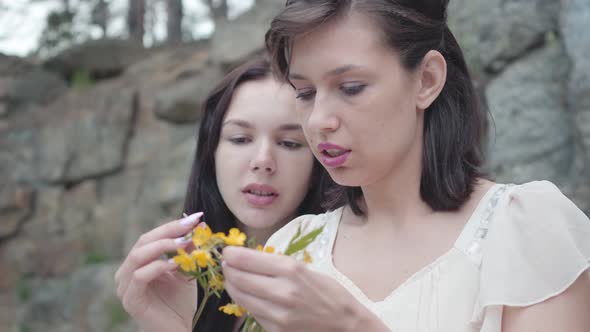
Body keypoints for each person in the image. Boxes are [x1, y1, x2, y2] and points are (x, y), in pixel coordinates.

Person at [219, 1, 590, 331]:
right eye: (305, 93)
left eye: (350, 87)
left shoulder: (527, 230)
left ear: (427, 80)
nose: (318, 121)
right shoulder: (294, 248)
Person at [114, 57, 337, 332]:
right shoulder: (182, 289)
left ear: (318, 163)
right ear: (211, 154)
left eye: (289, 143)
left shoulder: (336, 287)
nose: (263, 160)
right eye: (240, 139)